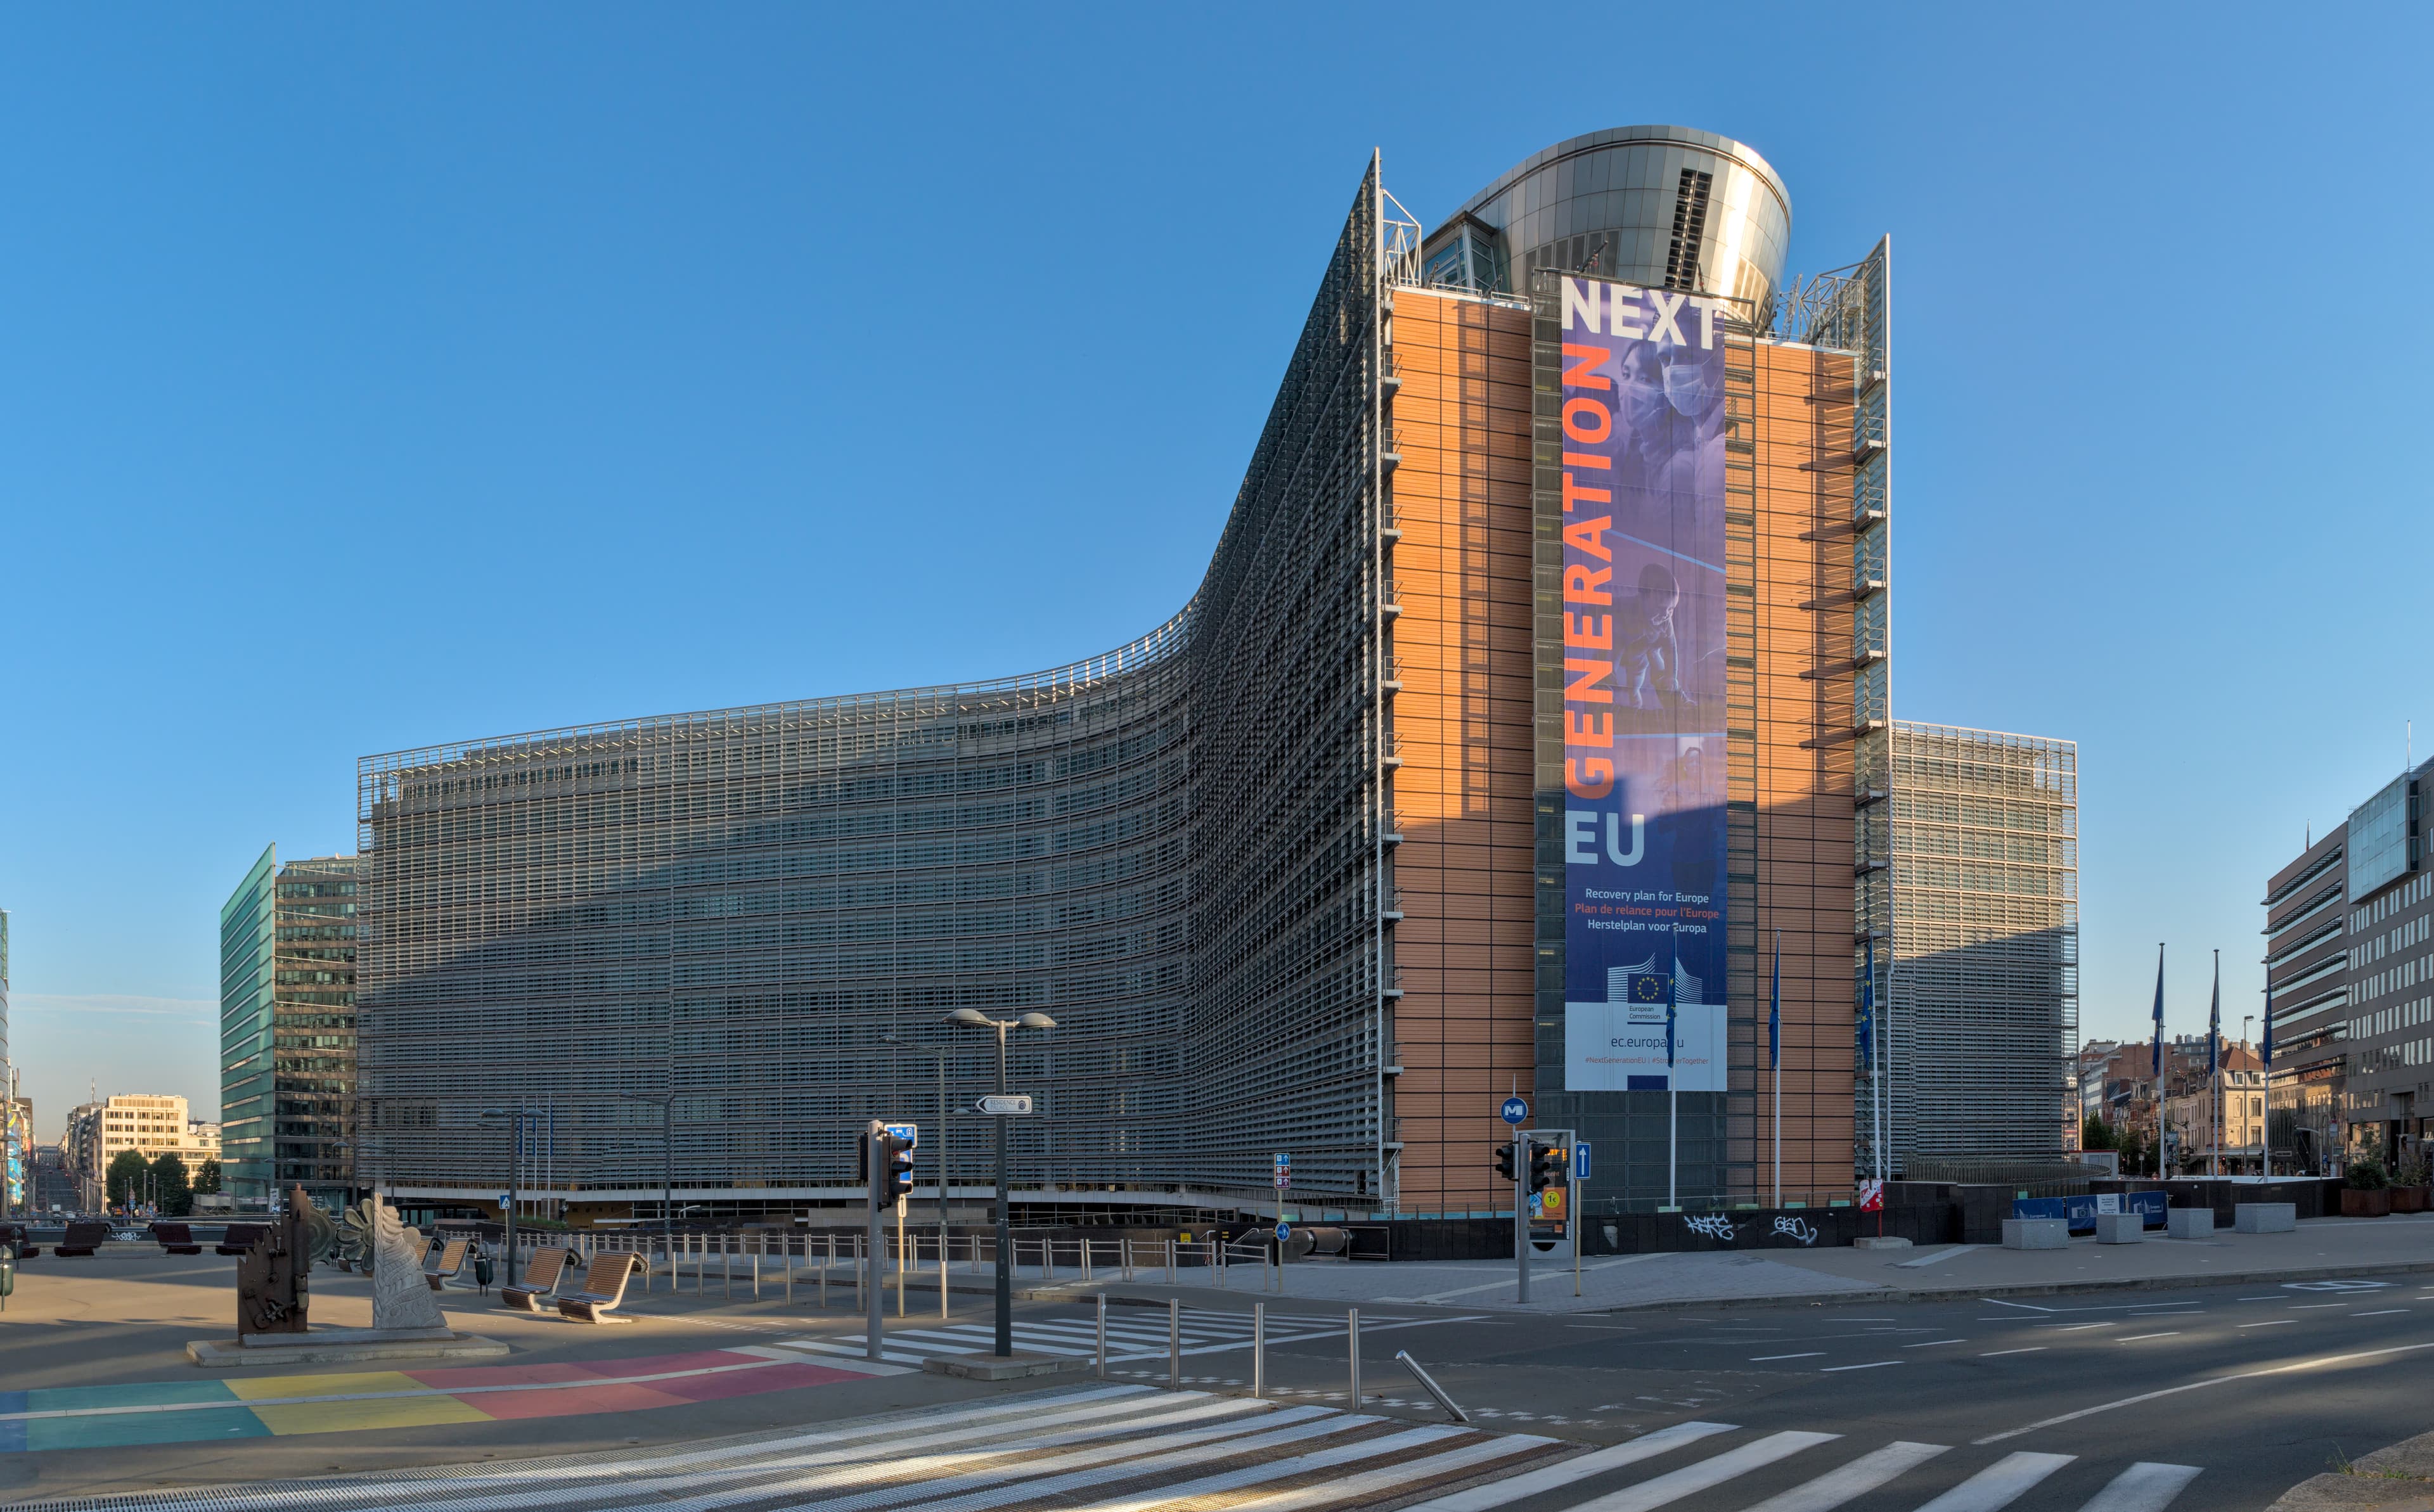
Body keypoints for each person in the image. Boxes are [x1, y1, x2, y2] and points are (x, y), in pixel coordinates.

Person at [1615, 562, 1682, 712]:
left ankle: (1636, 702)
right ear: (1643, 598)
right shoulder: (1627, 605)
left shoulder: (1666, 622)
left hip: (1641, 655)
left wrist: (1671, 676)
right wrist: (1583, 612)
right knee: (1610, 659)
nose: (1666, 614)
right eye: (1660, 608)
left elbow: (1671, 649)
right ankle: (1606, 686)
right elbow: (1608, 605)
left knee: (1636, 681)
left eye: (1671, 610)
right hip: (1621, 645)